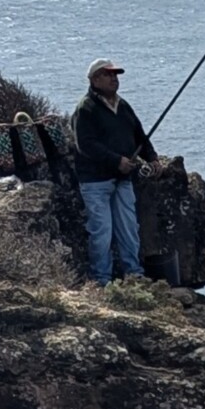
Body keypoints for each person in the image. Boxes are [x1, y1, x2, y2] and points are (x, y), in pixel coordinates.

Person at [71, 58, 158, 281]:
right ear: (94, 79)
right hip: (95, 182)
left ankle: (134, 274)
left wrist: (152, 159)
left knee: (129, 229)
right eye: (108, 75)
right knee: (101, 232)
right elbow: (86, 145)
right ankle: (102, 280)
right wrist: (116, 161)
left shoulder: (123, 106)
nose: (114, 79)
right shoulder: (86, 109)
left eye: (115, 75)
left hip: (122, 179)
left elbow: (139, 135)